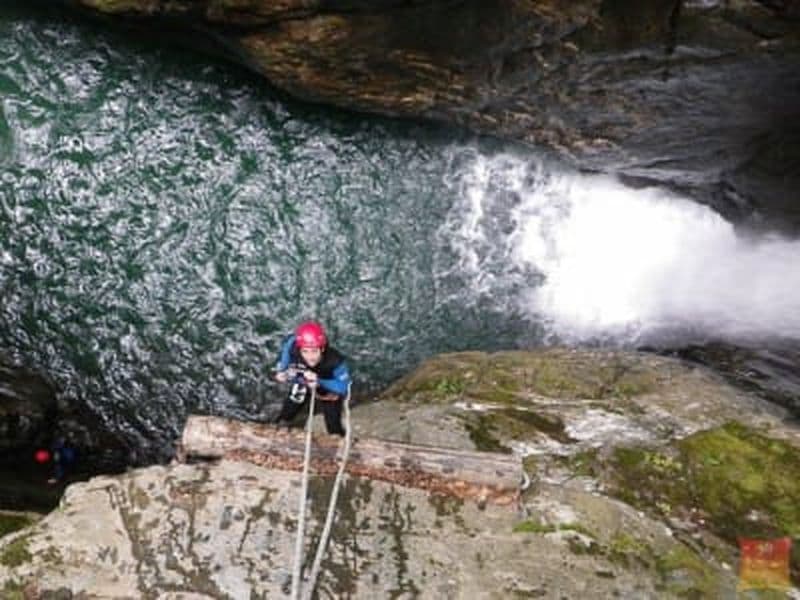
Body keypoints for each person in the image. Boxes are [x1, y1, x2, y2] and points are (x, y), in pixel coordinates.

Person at [271, 321, 351, 436]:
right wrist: (282, 370)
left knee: (333, 427)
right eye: (305, 351)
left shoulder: (335, 361)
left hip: (327, 388)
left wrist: (319, 381)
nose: (310, 357)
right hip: (302, 381)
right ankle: (278, 430)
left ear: (322, 349)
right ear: (300, 349)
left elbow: (343, 387)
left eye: (314, 351)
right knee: (286, 414)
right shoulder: (294, 347)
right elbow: (289, 344)